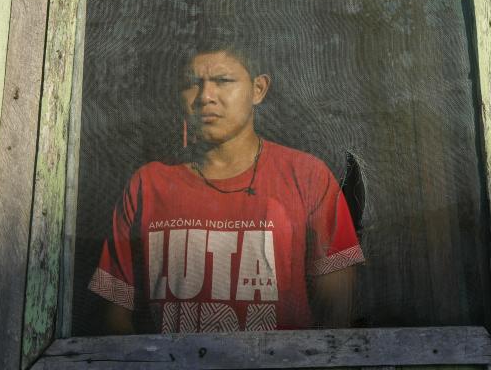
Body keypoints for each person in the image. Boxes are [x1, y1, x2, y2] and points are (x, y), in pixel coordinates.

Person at [88, 37, 364, 334]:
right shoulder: (149, 184)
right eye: (192, 84)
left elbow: (336, 309)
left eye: (222, 80)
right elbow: (115, 317)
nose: (205, 96)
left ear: (258, 89)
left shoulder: (307, 176)